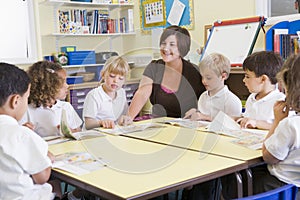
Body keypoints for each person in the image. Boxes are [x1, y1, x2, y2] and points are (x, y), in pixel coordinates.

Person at [120, 25, 205, 123]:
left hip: (184, 125)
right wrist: (129, 117)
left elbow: (207, 99)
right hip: (158, 123)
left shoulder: (194, 72)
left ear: (182, 47)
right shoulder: (154, 67)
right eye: (163, 43)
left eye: (172, 45)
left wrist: (198, 112)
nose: (165, 48)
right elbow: (142, 93)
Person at [0, 62, 55, 199]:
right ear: (15, 101)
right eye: (27, 97)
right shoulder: (22, 135)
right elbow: (42, 177)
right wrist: (47, 157)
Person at [251, 54, 300, 198]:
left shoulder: (290, 125)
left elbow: (269, 156)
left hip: (281, 187)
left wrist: (277, 121)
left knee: (240, 177)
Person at [19, 61, 82, 137]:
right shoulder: (27, 111)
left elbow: (78, 131)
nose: (67, 86)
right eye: (63, 82)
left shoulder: (66, 106)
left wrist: (70, 131)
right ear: (48, 86)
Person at [184, 53, 242, 121]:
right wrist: (195, 113)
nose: (204, 81)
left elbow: (233, 124)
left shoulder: (232, 101)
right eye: (202, 77)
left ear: (223, 76)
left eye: (208, 78)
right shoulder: (203, 96)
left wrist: (205, 117)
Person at [236, 51, 285, 130]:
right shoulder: (252, 98)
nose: (244, 80)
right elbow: (248, 119)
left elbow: (282, 127)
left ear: (263, 79)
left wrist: (257, 123)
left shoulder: (281, 101)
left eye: (247, 77)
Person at [83, 56, 130, 130]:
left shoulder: (121, 93)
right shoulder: (94, 95)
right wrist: (101, 123)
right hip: (94, 135)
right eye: (112, 76)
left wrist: (126, 119)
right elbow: (88, 124)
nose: (116, 81)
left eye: (120, 78)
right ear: (103, 74)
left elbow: (125, 114)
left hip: (113, 133)